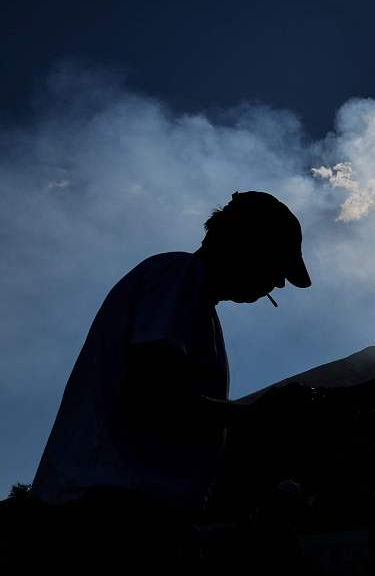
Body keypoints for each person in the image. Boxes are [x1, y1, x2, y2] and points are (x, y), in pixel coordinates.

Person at [27, 190, 312, 569]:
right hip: (108, 514)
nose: (277, 283)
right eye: (277, 265)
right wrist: (253, 416)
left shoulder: (192, 300)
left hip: (123, 513)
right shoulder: (178, 276)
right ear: (247, 244)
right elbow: (155, 393)